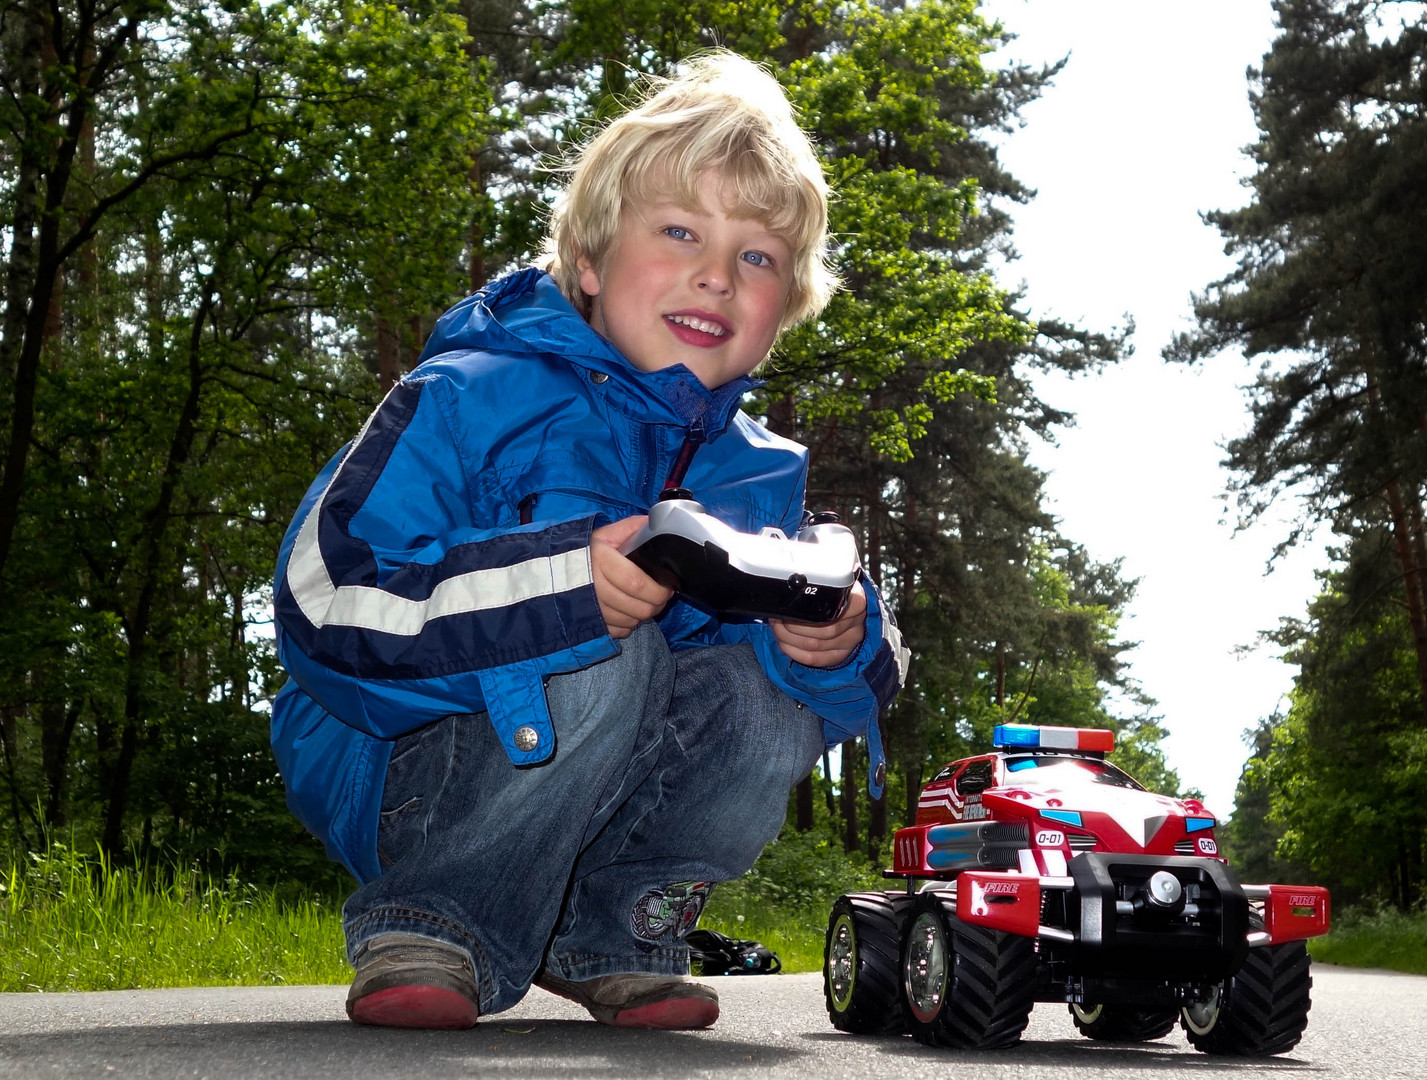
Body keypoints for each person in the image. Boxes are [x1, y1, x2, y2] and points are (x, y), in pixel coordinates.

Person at [270, 50, 907, 1033]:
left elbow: (836, 699)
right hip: (400, 765)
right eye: (679, 231)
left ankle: (612, 932)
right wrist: (556, 594)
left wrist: (841, 642)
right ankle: (430, 919)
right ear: (590, 263)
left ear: (786, 306)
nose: (715, 272)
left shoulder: (756, 475)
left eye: (756, 256)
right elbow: (323, 598)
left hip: (597, 787)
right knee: (603, 639)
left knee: (766, 694)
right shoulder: (473, 393)